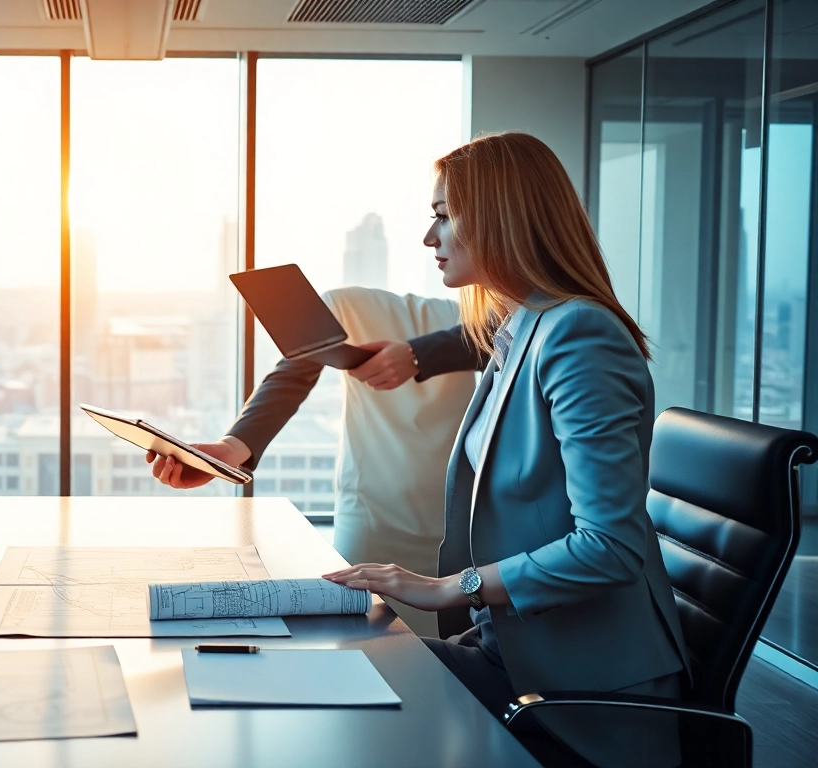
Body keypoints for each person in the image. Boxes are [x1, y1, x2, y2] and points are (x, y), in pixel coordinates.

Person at [323, 133, 689, 767]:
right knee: (339, 673)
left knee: (348, 709)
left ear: (500, 218)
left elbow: (612, 546)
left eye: (443, 215)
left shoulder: (579, 334)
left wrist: (449, 588)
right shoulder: (519, 328)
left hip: (578, 689)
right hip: (515, 651)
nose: (429, 237)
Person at [148, 288, 478, 637]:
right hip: (371, 516)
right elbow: (292, 376)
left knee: (444, 655)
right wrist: (231, 448)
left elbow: (488, 338)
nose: (431, 237)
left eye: (448, 227)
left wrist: (417, 355)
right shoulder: (343, 305)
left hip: (457, 527)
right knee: (363, 643)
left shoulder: (505, 317)